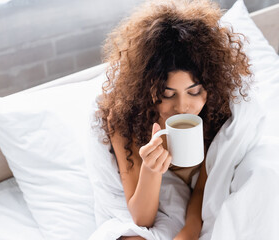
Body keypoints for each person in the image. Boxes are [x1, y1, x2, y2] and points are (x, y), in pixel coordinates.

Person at [95, 0, 251, 239]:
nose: (182, 107)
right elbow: (141, 218)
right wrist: (151, 170)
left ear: (209, 86)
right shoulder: (126, 121)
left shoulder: (216, 116)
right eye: (167, 94)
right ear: (148, 90)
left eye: (194, 91)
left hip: (190, 210)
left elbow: (202, 195)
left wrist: (187, 233)